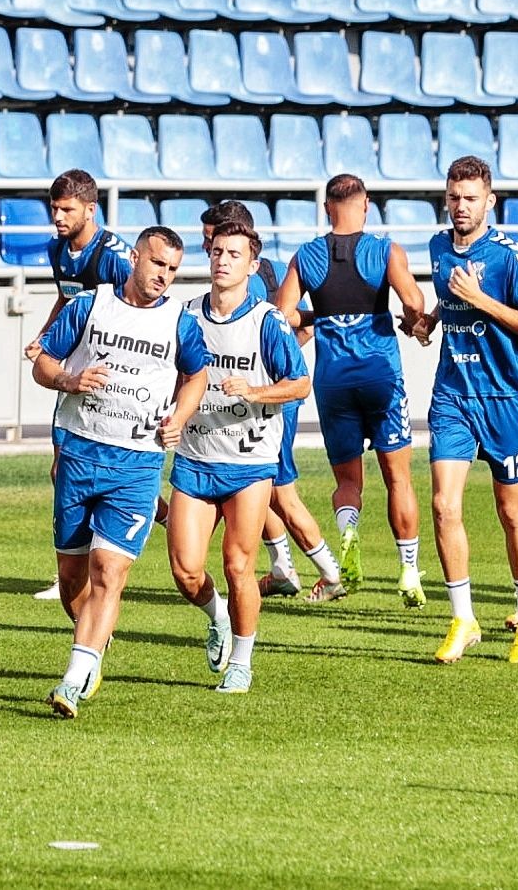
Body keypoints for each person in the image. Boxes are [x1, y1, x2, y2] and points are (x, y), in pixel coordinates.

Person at [33, 225, 210, 718]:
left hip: (137, 464)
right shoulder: (90, 306)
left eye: (173, 270)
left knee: (108, 572)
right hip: (80, 454)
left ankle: (73, 680)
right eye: (157, 265)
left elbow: (196, 375)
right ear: (135, 258)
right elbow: (43, 364)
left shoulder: (180, 320)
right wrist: (69, 378)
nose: (163, 277)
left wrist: (180, 415)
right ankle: (94, 642)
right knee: (72, 582)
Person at [409, 156, 518, 664]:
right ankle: (463, 618)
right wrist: (431, 320)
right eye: (454, 198)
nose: (461, 207)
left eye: (470, 198)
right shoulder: (438, 247)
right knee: (444, 506)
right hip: (452, 397)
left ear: (489, 202)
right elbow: (450, 301)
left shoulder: (510, 257)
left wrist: (480, 299)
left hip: (505, 400)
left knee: (513, 511)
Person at [168, 220, 308, 694]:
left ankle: (242, 662)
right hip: (195, 455)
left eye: (234, 254)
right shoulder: (186, 314)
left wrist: (255, 391)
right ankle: (218, 617)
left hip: (248, 463)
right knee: (186, 570)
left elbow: (300, 382)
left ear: (252, 265)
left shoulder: (266, 321)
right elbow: (174, 372)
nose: (223, 261)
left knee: (237, 564)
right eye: (217, 252)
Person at [275, 175, 427, 608]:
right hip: (380, 375)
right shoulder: (385, 250)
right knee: (398, 476)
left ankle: (348, 535)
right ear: (366, 206)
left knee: (347, 480)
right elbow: (414, 301)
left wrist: (320, 312)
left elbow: (284, 315)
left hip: (333, 379)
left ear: (327, 209)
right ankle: (409, 571)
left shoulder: (306, 256)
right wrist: (410, 320)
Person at [202, 201, 347, 603]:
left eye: (213, 240)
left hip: (268, 407)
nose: (210, 249)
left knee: (280, 491)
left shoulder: (264, 279)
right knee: (258, 489)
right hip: (240, 408)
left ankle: (332, 573)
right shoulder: (233, 286)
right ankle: (282, 567)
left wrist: (278, 366)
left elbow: (300, 318)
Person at [25, 169, 133, 602]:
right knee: (61, 470)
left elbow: (141, 306)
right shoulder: (59, 250)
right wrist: (46, 335)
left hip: (113, 380)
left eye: (67, 209)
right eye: (54, 208)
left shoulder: (114, 257)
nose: (58, 216)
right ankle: (74, 572)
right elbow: (65, 298)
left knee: (105, 472)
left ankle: (152, 520)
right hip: (74, 376)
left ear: (91, 209)